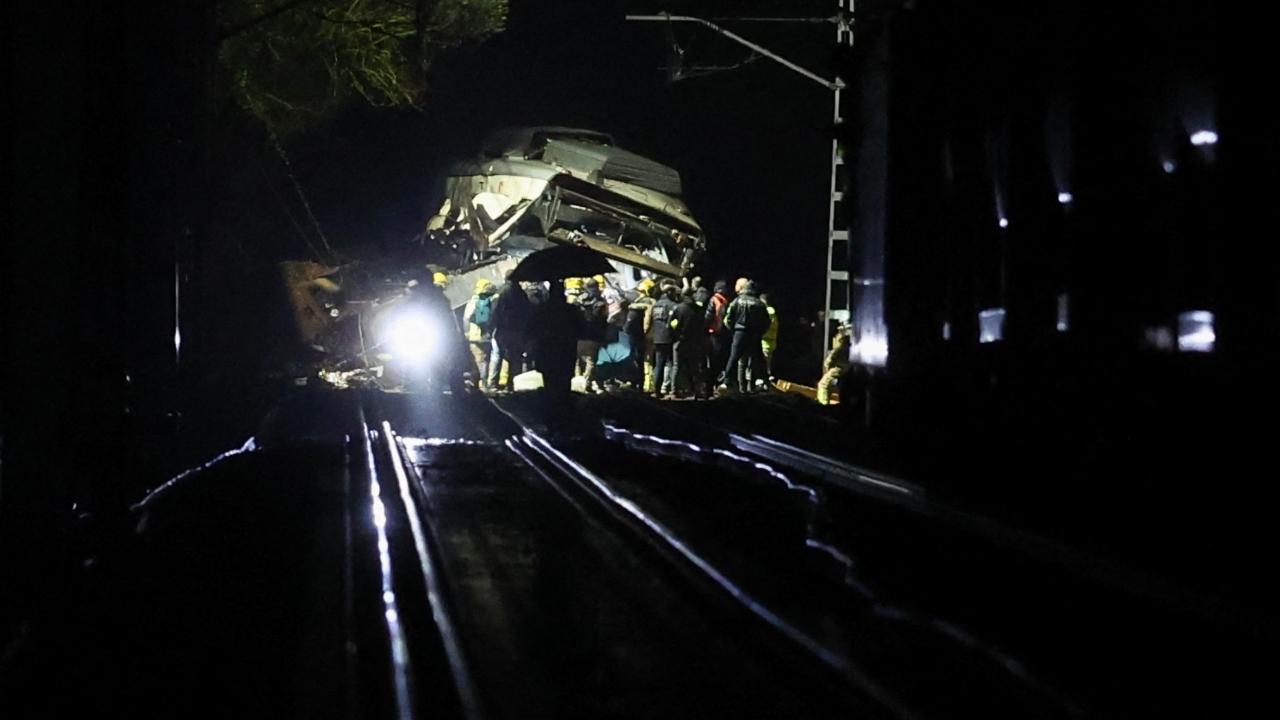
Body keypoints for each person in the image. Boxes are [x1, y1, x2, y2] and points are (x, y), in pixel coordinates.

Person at [531, 279, 580, 403]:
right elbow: (581, 328)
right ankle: (564, 405)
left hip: (546, 350)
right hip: (566, 350)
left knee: (549, 381)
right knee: (565, 382)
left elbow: (531, 329)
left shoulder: (541, 310)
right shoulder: (571, 310)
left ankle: (550, 405)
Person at [719, 280, 770, 393]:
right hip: (754, 334)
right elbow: (766, 321)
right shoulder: (759, 303)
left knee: (733, 358)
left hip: (739, 332)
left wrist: (733, 330)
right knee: (756, 358)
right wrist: (760, 332)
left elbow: (728, 318)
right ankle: (760, 381)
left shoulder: (737, 301)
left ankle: (726, 382)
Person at [489, 275, 533, 391]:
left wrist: (492, 327)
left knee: (498, 356)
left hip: (503, 330)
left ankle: (493, 384)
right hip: (517, 331)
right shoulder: (520, 293)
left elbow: (494, 311)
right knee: (515, 358)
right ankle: (512, 384)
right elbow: (528, 311)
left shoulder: (501, 291)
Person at [671, 287, 709, 398]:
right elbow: (703, 324)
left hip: (680, 341)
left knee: (677, 366)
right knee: (694, 367)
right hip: (694, 342)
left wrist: (676, 334)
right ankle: (697, 391)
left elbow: (671, 324)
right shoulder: (697, 309)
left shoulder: (678, 308)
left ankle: (674, 391)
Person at [462, 278, 498, 389]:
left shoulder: (473, 301)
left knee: (478, 361)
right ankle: (484, 384)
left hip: (474, 335)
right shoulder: (492, 299)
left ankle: (477, 385)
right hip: (486, 334)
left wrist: (466, 333)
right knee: (485, 360)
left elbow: (466, 318)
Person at [574, 277, 607, 392]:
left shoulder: (578, 301)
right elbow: (604, 320)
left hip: (579, 334)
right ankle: (586, 383)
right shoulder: (601, 302)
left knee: (577, 360)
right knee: (591, 361)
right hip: (594, 335)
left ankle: (576, 380)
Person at [646, 283, 679, 398]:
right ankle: (671, 389)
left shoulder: (656, 305)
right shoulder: (672, 305)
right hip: (669, 337)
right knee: (672, 364)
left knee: (659, 364)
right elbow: (675, 323)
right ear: (669, 293)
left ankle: (656, 390)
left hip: (657, 337)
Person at [624, 278, 656, 388]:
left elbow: (647, 321)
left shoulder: (646, 302)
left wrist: (644, 332)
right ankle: (644, 383)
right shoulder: (649, 301)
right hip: (644, 335)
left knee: (645, 360)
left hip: (643, 336)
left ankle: (646, 384)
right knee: (645, 360)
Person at [705, 280, 731, 388]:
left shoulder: (714, 300)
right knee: (720, 360)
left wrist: (704, 329)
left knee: (712, 361)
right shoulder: (725, 301)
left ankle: (709, 386)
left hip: (713, 333)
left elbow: (708, 316)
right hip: (723, 333)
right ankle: (717, 383)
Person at [817, 327, 851, 405]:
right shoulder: (851, 349)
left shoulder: (839, 349)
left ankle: (823, 404)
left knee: (823, 385)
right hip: (848, 371)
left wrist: (827, 367)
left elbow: (829, 361)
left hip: (837, 369)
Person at [760, 292, 779, 382]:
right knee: (767, 363)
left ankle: (766, 381)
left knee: (763, 365)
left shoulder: (765, 312)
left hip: (764, 342)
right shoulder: (773, 313)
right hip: (771, 342)